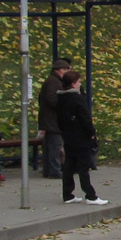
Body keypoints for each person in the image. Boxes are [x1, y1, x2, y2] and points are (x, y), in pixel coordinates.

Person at [56, 70, 107, 205]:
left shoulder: (61, 98)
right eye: (78, 82)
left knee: (69, 165)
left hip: (68, 135)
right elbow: (85, 118)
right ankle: (91, 196)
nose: (80, 84)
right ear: (73, 84)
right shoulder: (77, 99)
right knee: (84, 166)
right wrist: (91, 132)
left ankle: (68, 194)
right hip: (81, 136)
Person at [38, 58, 71, 179]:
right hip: (52, 120)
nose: (67, 72)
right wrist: (64, 103)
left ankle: (48, 170)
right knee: (55, 147)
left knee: (50, 146)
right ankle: (55, 171)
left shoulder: (52, 81)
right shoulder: (54, 82)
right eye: (65, 69)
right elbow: (52, 99)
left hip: (49, 120)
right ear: (58, 70)